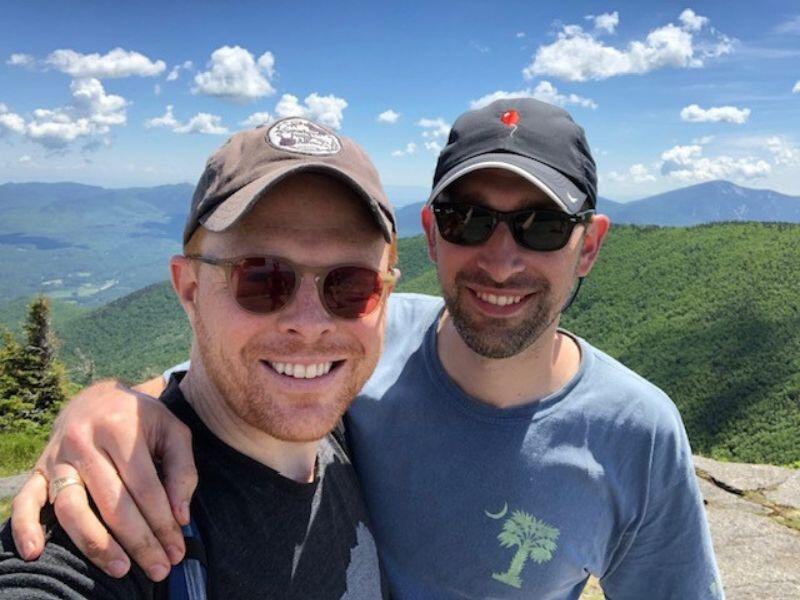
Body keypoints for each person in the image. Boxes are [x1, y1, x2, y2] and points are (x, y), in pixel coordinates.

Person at [10, 99, 724, 599]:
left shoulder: (637, 432)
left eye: (541, 226)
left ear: (590, 244)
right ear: (432, 234)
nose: (311, 323)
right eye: (262, 279)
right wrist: (110, 408)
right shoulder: (357, 364)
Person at [0, 117, 398, 598]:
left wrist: (103, 394)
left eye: (352, 285)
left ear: (387, 294)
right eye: (262, 278)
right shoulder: (119, 514)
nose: (311, 323)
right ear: (189, 289)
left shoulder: (346, 433)